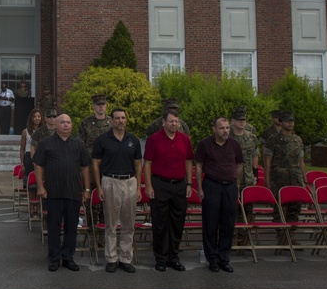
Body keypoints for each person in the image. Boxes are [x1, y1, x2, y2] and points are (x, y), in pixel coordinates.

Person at [34, 113, 91, 272]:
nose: (66, 125)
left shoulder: (78, 144)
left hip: (73, 192)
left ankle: (68, 257)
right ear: (56, 125)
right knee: (53, 226)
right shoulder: (46, 143)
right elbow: (38, 164)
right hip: (53, 192)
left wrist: (86, 189)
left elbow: (85, 167)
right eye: (62, 122)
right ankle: (54, 258)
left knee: (71, 227)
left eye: (68, 122)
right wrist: (40, 186)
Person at [91, 108, 143, 273]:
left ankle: (126, 258)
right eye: (117, 118)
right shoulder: (103, 140)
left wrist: (139, 187)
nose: (121, 121)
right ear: (111, 120)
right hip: (110, 182)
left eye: (123, 118)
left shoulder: (133, 140)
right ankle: (112, 258)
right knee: (111, 224)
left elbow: (138, 165)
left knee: (128, 224)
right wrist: (99, 187)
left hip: (129, 182)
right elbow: (95, 164)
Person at [143, 111, 194, 272]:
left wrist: (189, 184)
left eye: (176, 121)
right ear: (163, 122)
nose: (174, 124)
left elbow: (189, 161)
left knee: (177, 223)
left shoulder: (185, 139)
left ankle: (174, 257)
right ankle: (161, 258)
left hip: (179, 185)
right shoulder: (154, 139)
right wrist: (149, 186)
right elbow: (148, 163)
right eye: (171, 121)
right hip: (160, 184)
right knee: (160, 223)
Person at [195, 117, 244, 273]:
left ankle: (224, 259)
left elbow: (240, 164)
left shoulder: (235, 144)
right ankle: (213, 259)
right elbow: (198, 166)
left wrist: (237, 185)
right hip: (212, 186)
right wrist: (200, 188)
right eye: (222, 128)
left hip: (229, 187)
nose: (225, 131)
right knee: (210, 224)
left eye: (227, 128)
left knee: (228, 224)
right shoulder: (204, 144)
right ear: (214, 129)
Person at [262, 111, 306, 231]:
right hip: (279, 178)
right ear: (280, 123)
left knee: (295, 207)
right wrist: (267, 179)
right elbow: (267, 161)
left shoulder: (297, 140)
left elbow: (301, 160)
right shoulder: (273, 140)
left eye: (292, 121)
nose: (291, 124)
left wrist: (304, 179)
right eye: (288, 121)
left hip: (296, 178)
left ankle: (290, 236)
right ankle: (281, 236)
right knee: (280, 208)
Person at [230, 107, 259, 195]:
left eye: (243, 120)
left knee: (248, 206)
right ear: (233, 121)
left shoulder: (252, 137)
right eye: (239, 120)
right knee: (233, 207)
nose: (242, 122)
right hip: (231, 178)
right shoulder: (227, 138)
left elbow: (255, 155)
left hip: (248, 178)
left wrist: (255, 174)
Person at [19, 108, 43, 180]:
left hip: (40, 156)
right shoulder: (25, 132)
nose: (37, 118)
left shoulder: (43, 132)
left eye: (39, 116)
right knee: (30, 181)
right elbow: (22, 149)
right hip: (29, 157)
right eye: (34, 116)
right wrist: (22, 163)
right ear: (31, 118)